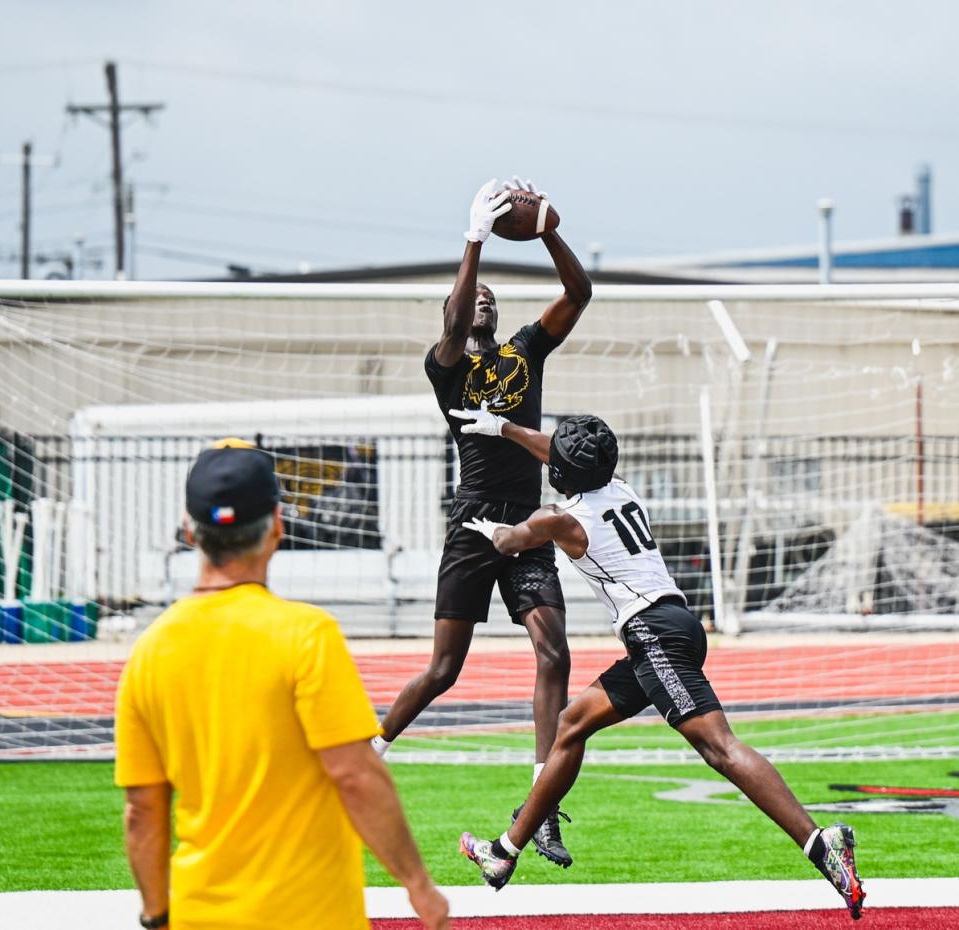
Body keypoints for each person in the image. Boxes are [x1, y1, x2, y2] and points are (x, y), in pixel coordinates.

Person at [449, 411, 866, 920]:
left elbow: (511, 541)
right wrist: (506, 430)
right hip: (672, 625)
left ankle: (820, 843)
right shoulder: (620, 489)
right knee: (570, 726)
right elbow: (560, 455)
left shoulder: (562, 519)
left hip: (654, 635)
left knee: (720, 748)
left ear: (561, 470)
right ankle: (503, 853)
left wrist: (492, 526)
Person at [115, 439, 450, 930]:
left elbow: (142, 810)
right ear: (277, 524)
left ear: (189, 530)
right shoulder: (306, 635)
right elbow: (354, 774)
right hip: (309, 912)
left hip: (200, 913)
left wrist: (157, 915)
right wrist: (418, 886)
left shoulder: (149, 651)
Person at [372, 176, 593, 868]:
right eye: (474, 298)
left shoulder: (524, 350)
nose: (484, 301)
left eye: (492, 295)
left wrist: (550, 226)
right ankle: (369, 753)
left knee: (554, 652)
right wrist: (472, 239)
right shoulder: (447, 368)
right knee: (443, 669)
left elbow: (579, 296)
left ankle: (542, 806)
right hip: (472, 525)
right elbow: (453, 318)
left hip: (526, 525)